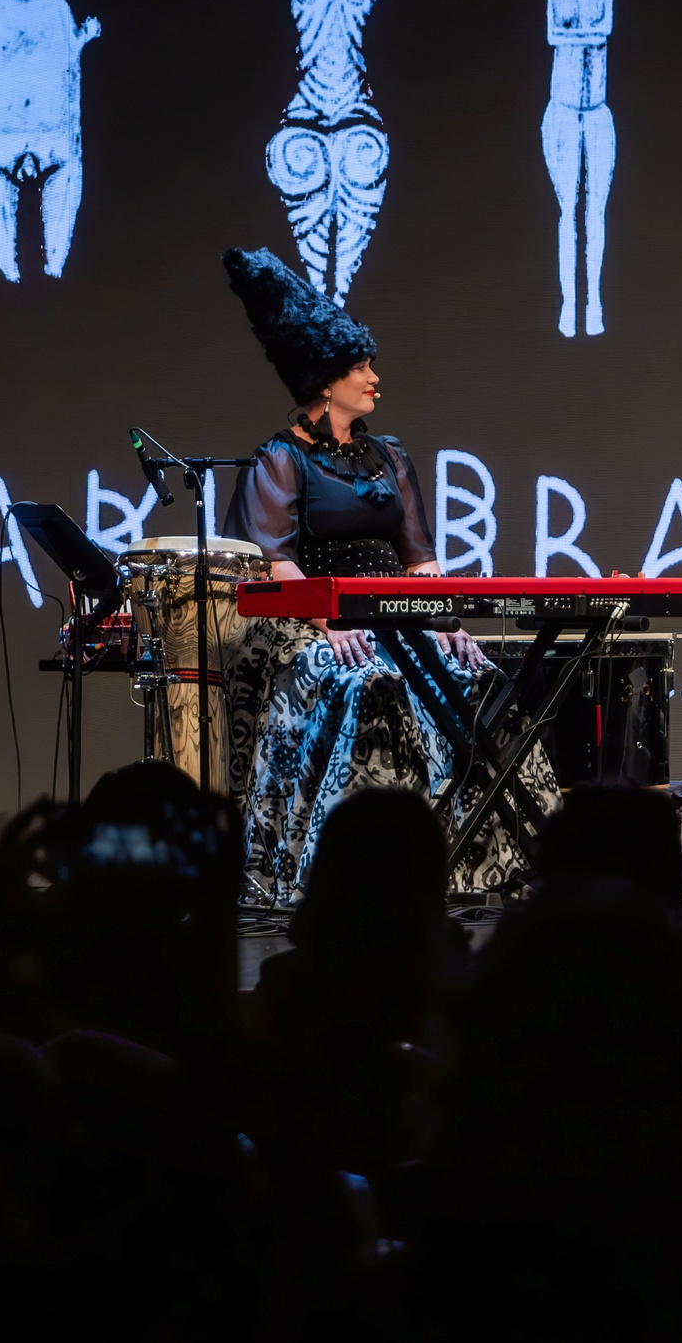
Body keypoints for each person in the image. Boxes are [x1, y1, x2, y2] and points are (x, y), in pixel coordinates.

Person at [218, 247, 559, 902]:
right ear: (322, 377)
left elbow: (419, 561)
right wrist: (333, 618)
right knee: (372, 684)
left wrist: (448, 626)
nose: (373, 376)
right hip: (319, 625)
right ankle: (359, 879)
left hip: (398, 620)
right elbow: (276, 562)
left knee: (482, 680)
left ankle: (492, 866)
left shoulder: (389, 455)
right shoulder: (280, 459)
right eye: (359, 365)